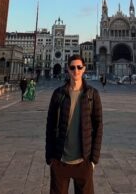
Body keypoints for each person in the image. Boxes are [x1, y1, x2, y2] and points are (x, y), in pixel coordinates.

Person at [46, 55, 102, 194]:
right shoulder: (58, 94)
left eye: (79, 67)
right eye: (72, 67)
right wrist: (50, 158)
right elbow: (50, 126)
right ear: (68, 69)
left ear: (84, 69)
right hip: (60, 162)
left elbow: (98, 126)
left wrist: (93, 160)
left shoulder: (92, 94)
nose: (75, 70)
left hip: (84, 162)